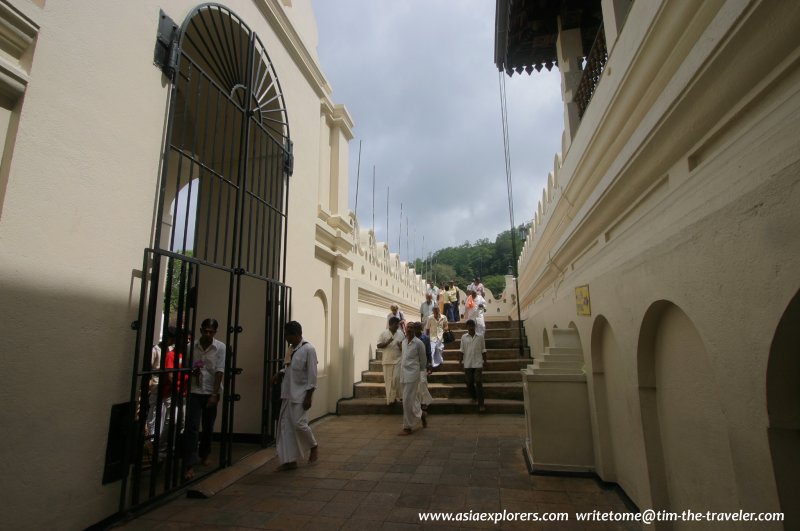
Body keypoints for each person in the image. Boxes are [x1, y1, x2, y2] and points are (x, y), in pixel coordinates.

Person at [183, 318, 226, 481]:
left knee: (208, 426)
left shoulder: (220, 347)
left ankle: (204, 454)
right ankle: (189, 463)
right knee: (192, 427)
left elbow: (219, 371)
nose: (208, 334)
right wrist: (191, 373)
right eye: (205, 331)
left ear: (215, 332)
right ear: (201, 330)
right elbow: (187, 367)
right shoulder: (191, 347)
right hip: (195, 390)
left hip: (210, 391)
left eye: (211, 331)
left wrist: (215, 394)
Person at [275, 321, 319, 470]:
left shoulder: (309, 349)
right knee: (285, 427)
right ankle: (289, 460)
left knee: (299, 424)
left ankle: (313, 446)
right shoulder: (291, 349)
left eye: (287, 335)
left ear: (296, 334)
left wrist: (309, 397)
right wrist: (278, 373)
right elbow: (288, 368)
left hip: (301, 395)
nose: (286, 338)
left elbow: (312, 376)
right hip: (287, 393)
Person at [399, 322, 427, 435]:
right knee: (413, 399)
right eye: (408, 327)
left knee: (406, 400)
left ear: (414, 330)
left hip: (413, 375)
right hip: (403, 375)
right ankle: (422, 414)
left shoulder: (419, 343)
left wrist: (420, 374)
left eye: (411, 328)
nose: (409, 329)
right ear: (405, 329)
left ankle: (407, 427)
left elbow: (423, 361)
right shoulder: (404, 342)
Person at [459, 319, 488, 413]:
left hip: (478, 363)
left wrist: (485, 361)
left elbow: (483, 350)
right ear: (467, 327)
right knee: (469, 382)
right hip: (467, 363)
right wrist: (460, 361)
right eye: (469, 325)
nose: (471, 327)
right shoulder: (463, 337)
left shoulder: (480, 337)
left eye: (472, 325)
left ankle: (481, 404)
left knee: (478, 382)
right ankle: (474, 397)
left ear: (475, 326)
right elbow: (462, 350)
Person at [377, 317, 404, 405]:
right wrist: (387, 342)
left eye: (398, 324)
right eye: (396, 324)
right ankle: (391, 399)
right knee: (388, 381)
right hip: (387, 360)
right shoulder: (384, 333)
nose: (397, 326)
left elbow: (404, 347)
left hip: (398, 360)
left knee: (396, 379)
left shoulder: (400, 333)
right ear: (390, 324)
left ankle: (398, 396)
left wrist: (400, 346)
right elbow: (379, 345)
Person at [412, 322, 434, 415]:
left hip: (423, 365)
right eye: (415, 328)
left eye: (418, 328)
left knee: (423, 382)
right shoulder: (411, 338)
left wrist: (430, 365)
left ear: (421, 328)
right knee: (416, 386)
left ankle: (424, 402)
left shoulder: (425, 338)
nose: (416, 329)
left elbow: (428, 352)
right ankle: (419, 402)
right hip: (413, 365)